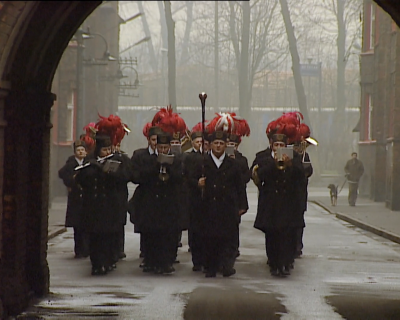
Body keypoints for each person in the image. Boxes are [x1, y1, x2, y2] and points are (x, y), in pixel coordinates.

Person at [195, 131, 248, 278]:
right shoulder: (203, 163)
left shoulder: (233, 165)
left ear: (225, 145)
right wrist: (197, 184)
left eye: (221, 143)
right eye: (216, 143)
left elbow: (240, 186)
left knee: (228, 238)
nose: (218, 146)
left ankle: (227, 265)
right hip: (208, 207)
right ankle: (210, 267)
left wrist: (242, 205)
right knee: (210, 238)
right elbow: (189, 181)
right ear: (210, 145)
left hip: (227, 207)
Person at [75, 134, 128, 275]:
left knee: (108, 237)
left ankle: (108, 261)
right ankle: (96, 264)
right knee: (94, 238)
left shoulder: (116, 160)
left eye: (109, 149)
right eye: (104, 150)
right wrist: (93, 170)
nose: (107, 152)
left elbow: (124, 178)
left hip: (109, 206)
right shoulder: (90, 161)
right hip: (93, 206)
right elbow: (81, 180)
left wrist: (110, 173)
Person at [132, 132, 184, 274]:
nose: (162, 150)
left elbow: (180, 178)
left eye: (165, 147)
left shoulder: (177, 159)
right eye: (160, 147)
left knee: (168, 235)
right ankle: (151, 261)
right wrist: (156, 166)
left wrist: (169, 167)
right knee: (151, 234)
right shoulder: (148, 159)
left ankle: (167, 262)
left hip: (169, 202)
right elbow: (138, 176)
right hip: (151, 202)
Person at [129, 124, 162, 266]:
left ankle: (160, 259)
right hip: (146, 196)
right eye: (154, 140)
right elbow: (134, 175)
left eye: (159, 140)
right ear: (148, 140)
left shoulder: (167, 155)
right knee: (147, 229)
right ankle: (147, 258)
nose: (156, 143)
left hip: (162, 198)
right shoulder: (139, 155)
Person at [58, 140, 90, 259]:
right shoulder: (71, 162)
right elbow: (62, 173)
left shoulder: (88, 162)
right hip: (75, 196)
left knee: (86, 224)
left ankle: (86, 249)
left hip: (86, 197)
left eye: (82, 150)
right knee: (77, 226)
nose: (81, 152)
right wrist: (71, 182)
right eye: (78, 150)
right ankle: (78, 250)